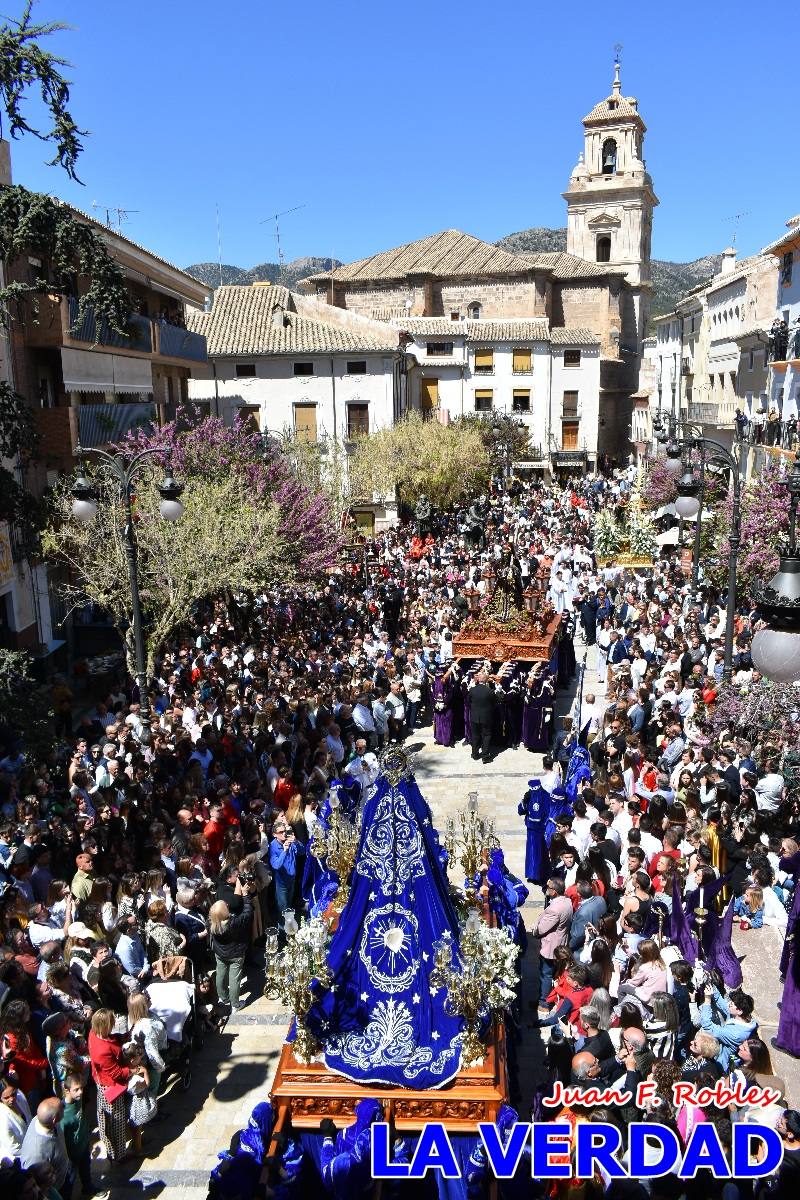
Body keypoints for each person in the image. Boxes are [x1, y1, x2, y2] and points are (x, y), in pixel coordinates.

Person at [88, 1007, 132, 1163]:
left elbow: (111, 1039)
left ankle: (111, 1150)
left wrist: (121, 1038)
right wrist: (132, 1070)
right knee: (117, 1121)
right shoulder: (103, 1051)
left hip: (101, 1083)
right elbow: (117, 1073)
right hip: (110, 1086)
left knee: (104, 1117)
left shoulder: (93, 1034)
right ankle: (118, 1155)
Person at [209, 890, 254, 1013]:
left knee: (220, 973)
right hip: (235, 954)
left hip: (220, 953)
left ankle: (223, 998)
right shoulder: (234, 923)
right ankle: (235, 1004)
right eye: (226, 906)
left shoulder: (212, 922)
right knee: (234, 978)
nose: (228, 904)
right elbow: (248, 913)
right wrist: (246, 896)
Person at [19, 1097, 70, 1194]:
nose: (64, 1106)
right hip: (56, 1189)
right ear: (54, 1120)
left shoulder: (43, 1121)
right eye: (62, 1107)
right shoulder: (35, 1154)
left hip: (64, 1172)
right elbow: (36, 1184)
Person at [468, 669, 496, 765]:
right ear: (486, 680)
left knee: (475, 735)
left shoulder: (472, 690)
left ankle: (475, 754)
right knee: (486, 736)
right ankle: (485, 756)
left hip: (474, 716)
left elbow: (468, 701)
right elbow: (494, 703)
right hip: (486, 717)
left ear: (478, 679)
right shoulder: (490, 691)